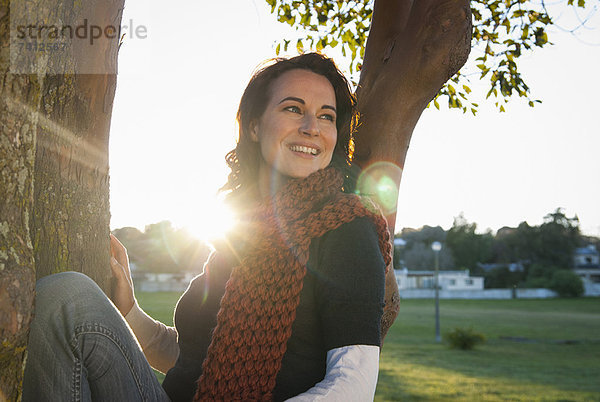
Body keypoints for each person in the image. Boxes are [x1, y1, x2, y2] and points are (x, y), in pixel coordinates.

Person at [23, 52, 391, 401]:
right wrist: (129, 311)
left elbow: (353, 383)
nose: (312, 128)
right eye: (294, 109)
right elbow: (189, 357)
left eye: (327, 116)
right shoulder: (246, 233)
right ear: (254, 126)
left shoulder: (345, 226)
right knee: (64, 299)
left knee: (66, 294)